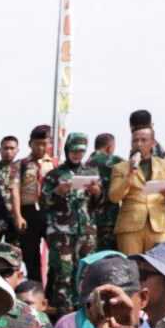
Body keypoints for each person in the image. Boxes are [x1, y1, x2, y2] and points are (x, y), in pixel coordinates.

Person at [41, 132, 102, 314]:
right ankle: (63, 315)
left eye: (81, 151)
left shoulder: (91, 173)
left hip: (86, 232)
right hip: (62, 233)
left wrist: (97, 192)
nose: (77, 154)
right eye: (74, 150)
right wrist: (58, 192)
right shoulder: (54, 174)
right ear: (68, 149)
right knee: (64, 273)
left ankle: (84, 312)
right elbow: (43, 202)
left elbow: (100, 203)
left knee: (85, 271)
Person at [48, 250, 127, 328]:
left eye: (102, 278)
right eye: (85, 278)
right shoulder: (67, 323)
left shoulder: (137, 318)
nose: (90, 285)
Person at [109, 126, 165, 255]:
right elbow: (114, 196)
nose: (139, 144)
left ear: (152, 143)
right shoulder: (120, 168)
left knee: (160, 268)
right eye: (135, 140)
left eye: (143, 140)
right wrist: (130, 174)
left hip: (159, 226)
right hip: (130, 226)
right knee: (133, 268)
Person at [8, 124, 56, 284]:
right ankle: (36, 292)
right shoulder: (20, 165)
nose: (41, 147)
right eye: (37, 144)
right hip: (28, 212)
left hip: (50, 213)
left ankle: (52, 295)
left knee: (56, 255)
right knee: (31, 256)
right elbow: (14, 190)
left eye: (44, 143)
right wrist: (18, 216)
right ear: (30, 144)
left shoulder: (55, 164)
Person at [86, 133, 125, 252]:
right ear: (109, 147)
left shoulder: (86, 163)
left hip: (90, 218)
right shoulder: (114, 161)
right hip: (109, 218)